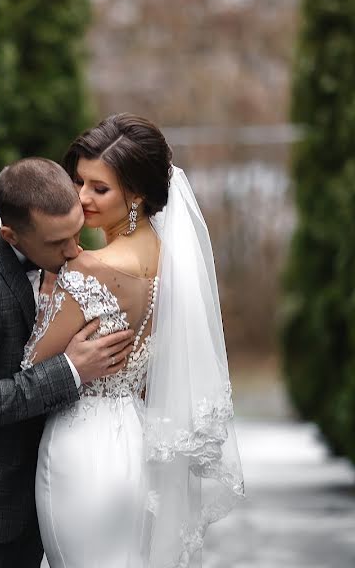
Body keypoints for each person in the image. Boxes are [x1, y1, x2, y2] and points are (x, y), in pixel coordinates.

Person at [24, 114, 245, 567]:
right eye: (79, 181)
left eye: (98, 188)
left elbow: (30, 367)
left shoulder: (87, 270)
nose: (82, 197)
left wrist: (46, 289)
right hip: (138, 444)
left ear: (137, 196)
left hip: (81, 448)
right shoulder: (171, 261)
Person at [0, 157, 136, 568]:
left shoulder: (45, 239)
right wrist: (70, 369)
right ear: (11, 235)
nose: (75, 251)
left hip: (27, 500)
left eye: (76, 232)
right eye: (58, 244)